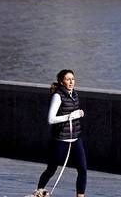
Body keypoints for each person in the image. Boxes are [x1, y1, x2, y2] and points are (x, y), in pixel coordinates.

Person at [35, 69, 87, 197]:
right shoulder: (58, 96)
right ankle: (39, 191)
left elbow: (74, 115)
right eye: (68, 79)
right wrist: (71, 115)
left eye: (73, 79)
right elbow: (51, 119)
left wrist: (77, 115)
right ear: (61, 81)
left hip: (75, 139)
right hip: (60, 140)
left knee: (82, 169)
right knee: (51, 169)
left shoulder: (75, 94)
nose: (71, 82)